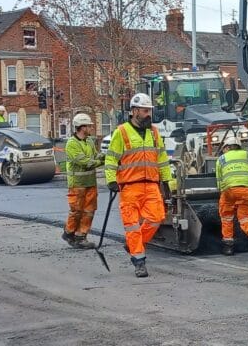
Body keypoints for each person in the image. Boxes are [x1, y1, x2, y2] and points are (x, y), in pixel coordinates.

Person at [105, 93, 172, 277]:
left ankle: (134, 244)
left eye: (149, 110)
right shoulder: (122, 132)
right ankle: (139, 261)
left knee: (157, 218)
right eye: (144, 110)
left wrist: (167, 181)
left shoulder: (154, 132)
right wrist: (110, 179)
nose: (148, 114)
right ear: (134, 111)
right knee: (132, 226)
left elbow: (162, 158)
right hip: (129, 187)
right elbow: (111, 158)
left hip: (151, 185)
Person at [215, 136, 248, 256]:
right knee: (245, 218)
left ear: (227, 147)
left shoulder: (221, 159)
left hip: (228, 191)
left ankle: (228, 247)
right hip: (246, 190)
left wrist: (222, 194)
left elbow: (219, 181)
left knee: (226, 217)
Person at [63, 113, 105, 249]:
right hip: (77, 183)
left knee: (89, 211)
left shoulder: (89, 141)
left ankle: (81, 236)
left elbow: (95, 156)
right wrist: (100, 161)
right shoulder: (72, 144)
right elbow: (85, 162)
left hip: (90, 182)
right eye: (89, 126)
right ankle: (69, 233)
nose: (91, 128)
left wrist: (105, 155)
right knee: (76, 210)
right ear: (82, 127)